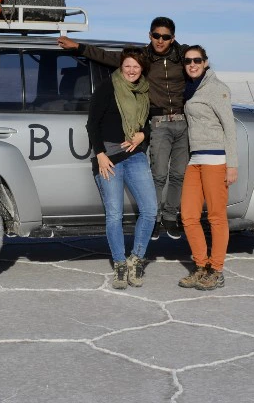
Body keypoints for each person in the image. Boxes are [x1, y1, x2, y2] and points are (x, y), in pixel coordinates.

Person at [59, 17, 188, 240]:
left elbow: (198, 70)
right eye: (156, 35)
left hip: (181, 120)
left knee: (178, 173)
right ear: (150, 35)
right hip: (156, 121)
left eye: (165, 37)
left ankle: (170, 217)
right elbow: (108, 57)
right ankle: (154, 218)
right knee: (158, 173)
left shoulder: (183, 57)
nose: (160, 40)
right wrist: (79, 47)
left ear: (173, 38)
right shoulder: (141, 59)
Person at [86, 47, 158, 289]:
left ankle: (136, 259)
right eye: (127, 65)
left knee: (150, 209)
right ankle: (119, 263)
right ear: (121, 66)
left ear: (142, 69)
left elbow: (147, 122)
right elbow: (92, 124)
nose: (131, 70)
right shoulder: (109, 86)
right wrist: (100, 155)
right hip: (109, 157)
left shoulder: (143, 91)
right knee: (114, 214)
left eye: (136, 66)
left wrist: (141, 135)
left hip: (135, 155)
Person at [177, 46, 238, 290]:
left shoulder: (217, 89)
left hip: (216, 161)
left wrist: (231, 165)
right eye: (188, 61)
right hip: (196, 160)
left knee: (216, 217)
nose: (192, 64)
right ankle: (201, 266)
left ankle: (217, 270)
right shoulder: (190, 88)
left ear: (205, 62)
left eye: (197, 60)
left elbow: (230, 128)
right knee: (189, 216)